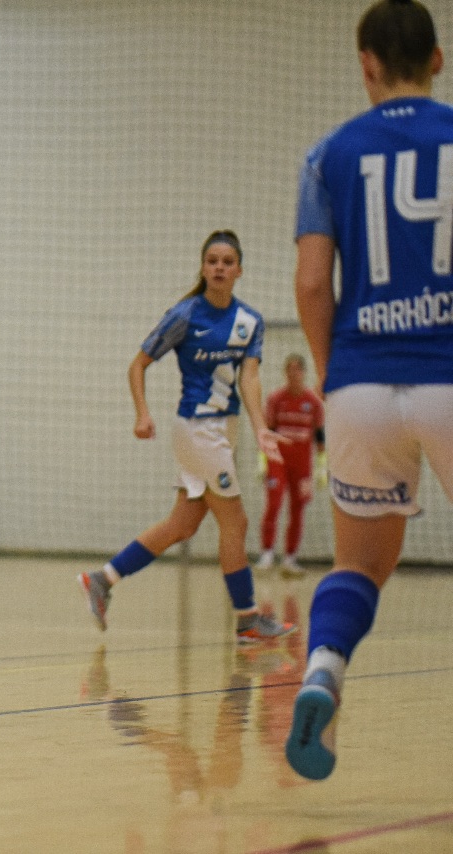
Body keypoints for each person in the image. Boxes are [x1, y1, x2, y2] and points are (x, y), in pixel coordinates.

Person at [285, 0, 453, 781]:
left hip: (360, 384)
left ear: (367, 65)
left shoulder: (328, 154)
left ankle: (323, 669)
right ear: (438, 59)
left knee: (357, 566)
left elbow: (311, 282)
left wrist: (333, 373)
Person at [77, 230, 296, 644]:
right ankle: (248, 620)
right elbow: (137, 365)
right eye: (212, 261)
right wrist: (142, 413)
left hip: (223, 431)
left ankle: (102, 578)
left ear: (239, 270)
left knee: (183, 524)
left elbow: (250, 378)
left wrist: (260, 427)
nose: (219, 268)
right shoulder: (184, 315)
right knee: (236, 521)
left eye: (227, 262)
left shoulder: (250, 321)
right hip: (198, 429)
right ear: (203, 268)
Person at [256, 354, 326, 575]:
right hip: (278, 462)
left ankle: (290, 558)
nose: (293, 374)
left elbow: (320, 438)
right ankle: (267, 554)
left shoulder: (314, 402)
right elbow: (268, 433)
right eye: (289, 370)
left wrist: (322, 468)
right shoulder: (276, 399)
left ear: (304, 372)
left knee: (297, 509)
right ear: (285, 373)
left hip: (302, 465)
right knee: (274, 504)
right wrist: (262, 462)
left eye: (297, 370)